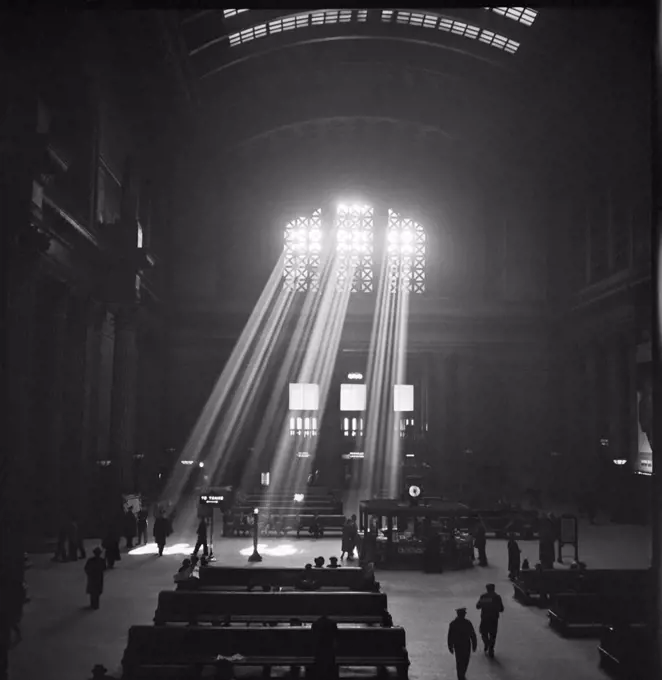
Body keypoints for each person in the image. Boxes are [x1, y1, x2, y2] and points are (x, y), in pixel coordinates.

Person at [447, 607, 477, 680]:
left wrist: (450, 646)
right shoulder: (468, 623)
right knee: (465, 661)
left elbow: (450, 637)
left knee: (459, 661)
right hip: (466, 645)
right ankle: (462, 674)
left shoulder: (453, 624)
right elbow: (472, 635)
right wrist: (474, 645)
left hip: (457, 646)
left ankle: (460, 675)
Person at [476, 583, 504, 657]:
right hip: (494, 619)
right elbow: (501, 609)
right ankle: (491, 649)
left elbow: (478, 606)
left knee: (483, 632)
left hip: (485, 618)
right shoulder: (497, 597)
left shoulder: (484, 597)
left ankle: (486, 643)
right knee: (492, 635)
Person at [311, 614, 339, 680]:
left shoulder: (316, 624)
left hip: (319, 654)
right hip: (329, 653)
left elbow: (313, 639)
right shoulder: (332, 624)